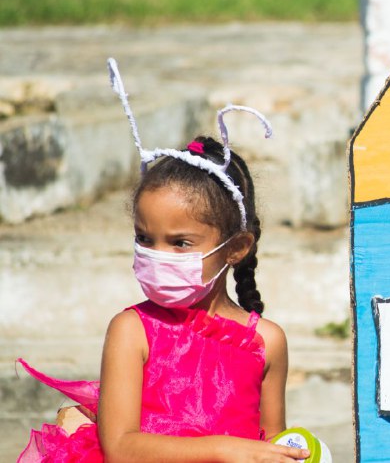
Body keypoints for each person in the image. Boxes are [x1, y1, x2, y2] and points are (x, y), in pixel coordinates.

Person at [17, 60, 310, 462]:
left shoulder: (268, 342)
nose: (157, 255)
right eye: (144, 238)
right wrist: (221, 450)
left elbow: (277, 445)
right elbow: (120, 447)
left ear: (236, 248)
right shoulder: (131, 331)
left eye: (180, 243)